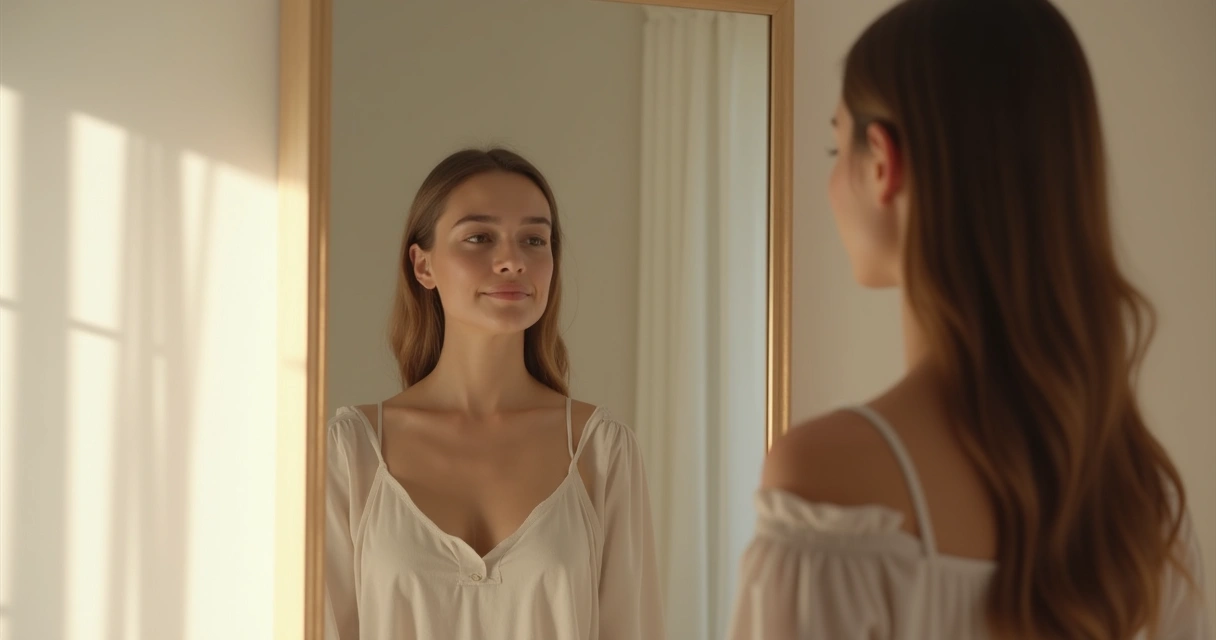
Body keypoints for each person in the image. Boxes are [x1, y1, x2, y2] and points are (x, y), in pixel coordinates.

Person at [728, 1, 1210, 638]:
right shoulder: (1138, 501)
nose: (831, 181)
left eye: (833, 143)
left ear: (882, 162)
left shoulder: (828, 479)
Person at [324, 148, 664, 640]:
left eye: (534, 239)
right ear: (423, 266)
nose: (511, 261)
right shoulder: (350, 451)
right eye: (479, 238)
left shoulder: (602, 449)